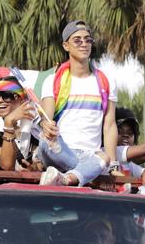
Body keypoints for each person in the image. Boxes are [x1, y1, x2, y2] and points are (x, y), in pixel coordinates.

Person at [39, 20, 118, 186]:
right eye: (77, 40)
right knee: (45, 140)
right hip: (59, 150)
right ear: (66, 46)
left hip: (91, 155)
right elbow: (46, 119)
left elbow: (110, 126)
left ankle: (66, 179)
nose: (84, 44)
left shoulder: (106, 81)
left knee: (105, 158)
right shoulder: (52, 80)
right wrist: (46, 125)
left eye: (88, 40)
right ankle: (87, 172)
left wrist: (113, 165)